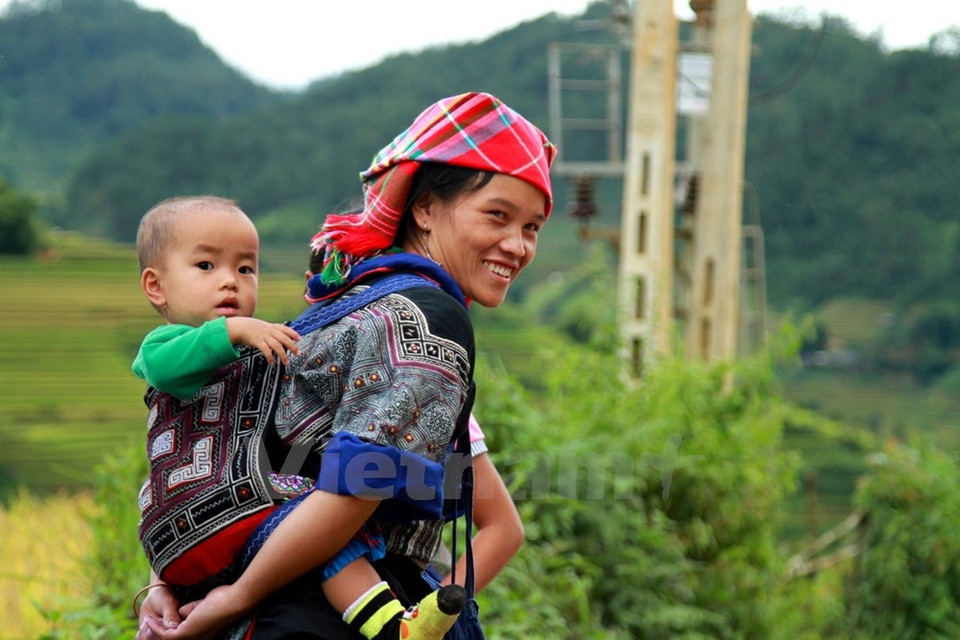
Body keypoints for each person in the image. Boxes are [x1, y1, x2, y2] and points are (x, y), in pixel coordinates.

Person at [138, 90, 555, 640]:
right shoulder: (427, 318)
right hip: (312, 619)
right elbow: (359, 484)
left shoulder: (338, 309)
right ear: (425, 208)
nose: (518, 246)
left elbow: (219, 452)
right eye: (497, 215)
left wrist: (173, 578)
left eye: (532, 228)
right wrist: (233, 593)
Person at [132, 196, 464, 640]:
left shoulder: (250, 354)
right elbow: (163, 367)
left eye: (245, 269)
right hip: (211, 518)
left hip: (216, 526)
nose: (229, 281)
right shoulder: (162, 347)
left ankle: (391, 627)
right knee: (323, 523)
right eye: (206, 266)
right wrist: (235, 330)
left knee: (327, 542)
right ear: (155, 287)